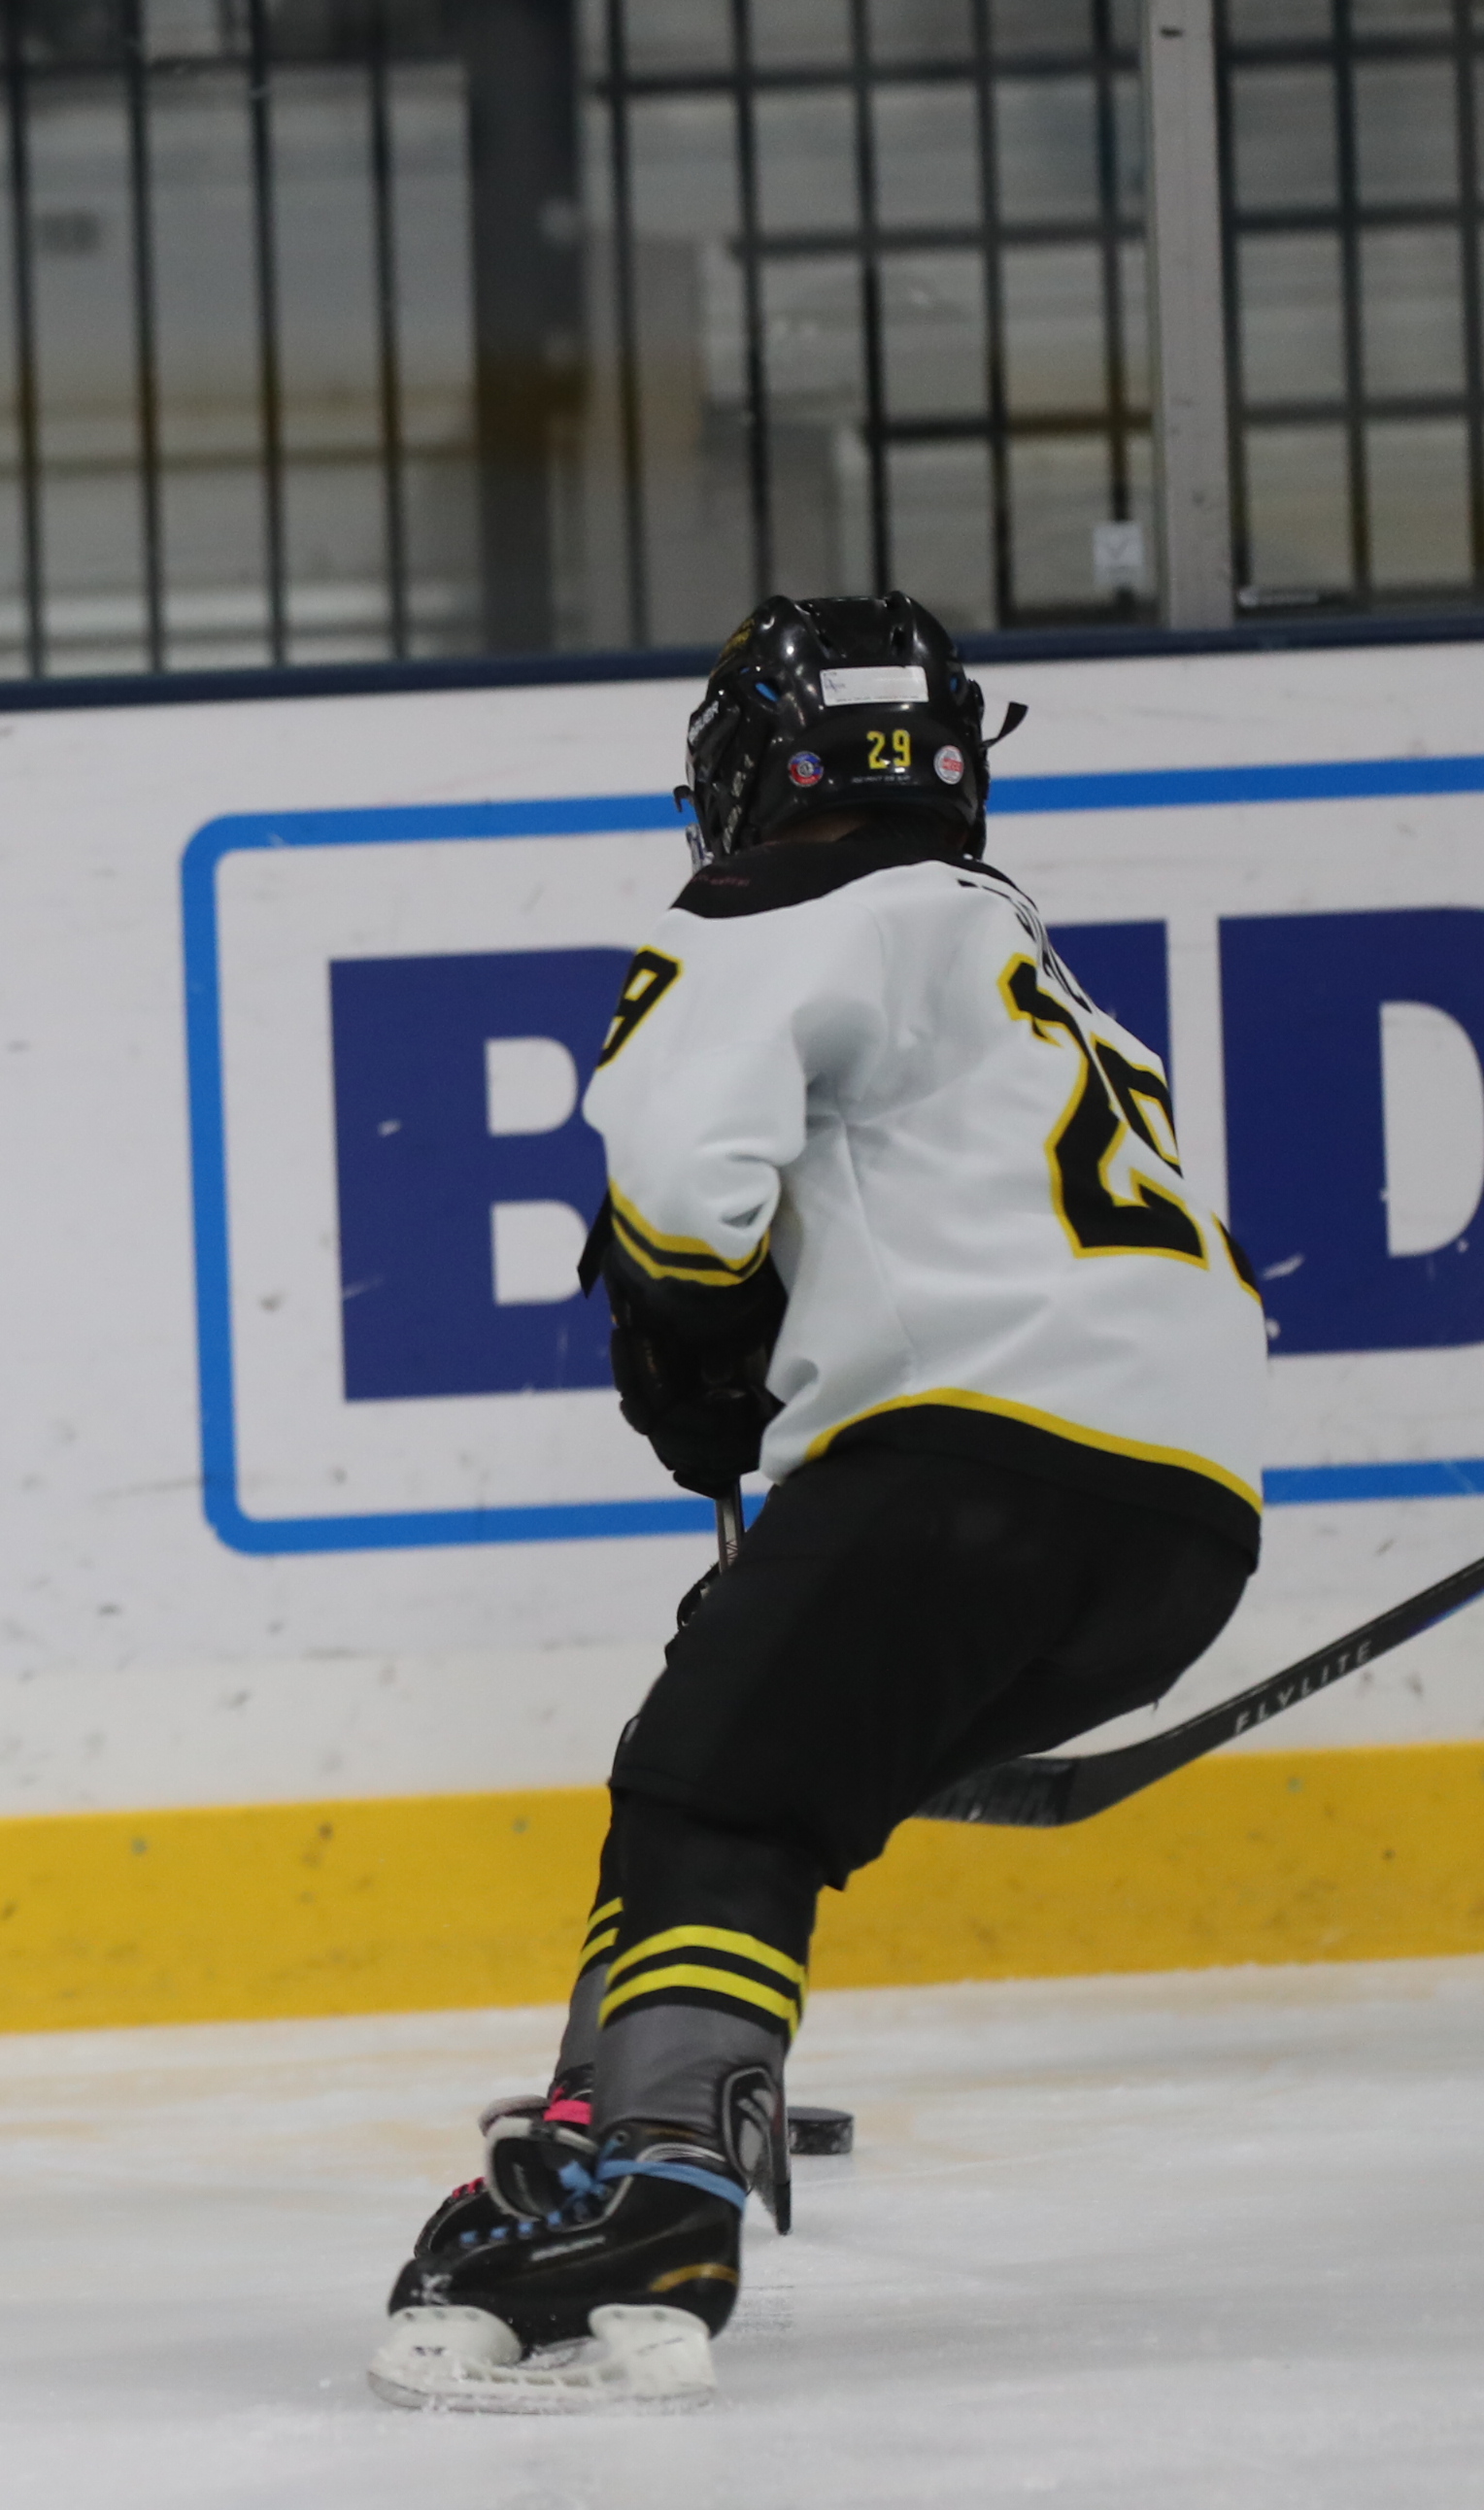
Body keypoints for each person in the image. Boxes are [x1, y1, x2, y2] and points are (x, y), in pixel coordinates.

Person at [371, 594, 1268, 2406]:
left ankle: (665, 2181)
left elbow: (678, 1178)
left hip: (978, 1464)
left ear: (749, 769)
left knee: (719, 1791)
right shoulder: (1033, 972)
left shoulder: (777, 901)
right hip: (1180, 1533)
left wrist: (689, 1342)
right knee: (725, 1747)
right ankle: (605, 2119)